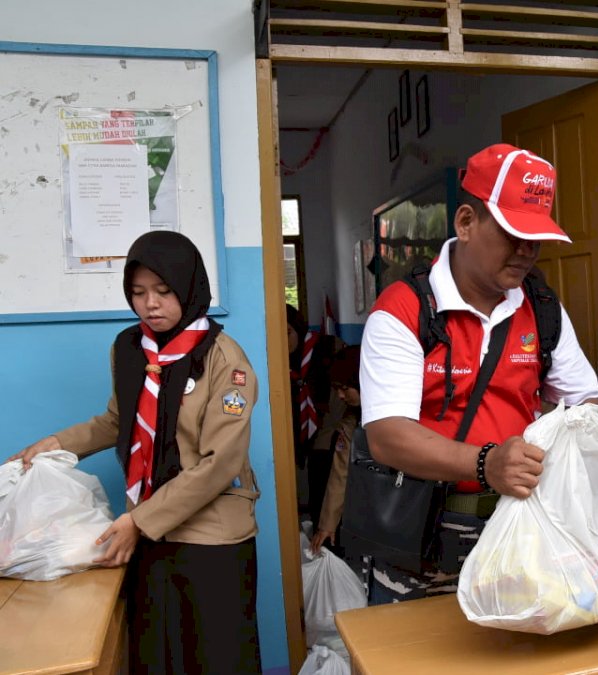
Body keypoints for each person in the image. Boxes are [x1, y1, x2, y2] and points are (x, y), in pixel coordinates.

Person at [358, 142, 598, 603]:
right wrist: (486, 463)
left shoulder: (542, 309)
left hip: (519, 531)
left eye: (537, 238)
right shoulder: (403, 311)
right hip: (423, 541)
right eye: (513, 233)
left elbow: (587, 400)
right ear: (466, 223)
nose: (527, 251)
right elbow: (387, 436)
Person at [10, 230, 262, 674]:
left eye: (164, 292)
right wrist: (55, 444)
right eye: (139, 292)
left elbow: (219, 462)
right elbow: (118, 420)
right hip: (147, 530)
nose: (151, 304)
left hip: (208, 535)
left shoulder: (225, 360)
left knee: (218, 658)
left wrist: (139, 522)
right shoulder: (130, 348)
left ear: (189, 287)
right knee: (157, 654)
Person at [286, 304, 338, 522]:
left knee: (321, 474)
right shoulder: (274, 358)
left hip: (326, 422)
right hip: (294, 424)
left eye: (288, 333)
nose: (283, 339)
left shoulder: (324, 347)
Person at [309, 345, 361, 556]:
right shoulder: (349, 422)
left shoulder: (401, 412)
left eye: (344, 388)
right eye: (336, 389)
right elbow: (340, 473)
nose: (340, 396)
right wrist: (327, 524)